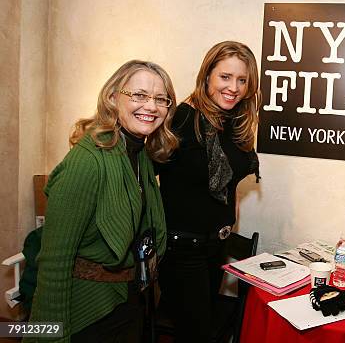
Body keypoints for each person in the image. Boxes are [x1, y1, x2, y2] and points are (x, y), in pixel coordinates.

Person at [26, 60, 178, 342]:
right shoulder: (88, 160)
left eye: (160, 99)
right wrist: (52, 335)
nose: (151, 106)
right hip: (86, 311)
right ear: (112, 97)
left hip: (127, 300)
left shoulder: (139, 154)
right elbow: (55, 261)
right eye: (139, 95)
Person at [157, 41, 260, 342]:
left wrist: (229, 220)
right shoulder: (181, 119)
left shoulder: (236, 124)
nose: (234, 88)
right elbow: (145, 175)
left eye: (242, 80)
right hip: (181, 249)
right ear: (207, 77)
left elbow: (229, 184)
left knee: (199, 330)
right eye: (225, 77)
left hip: (215, 247)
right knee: (197, 334)